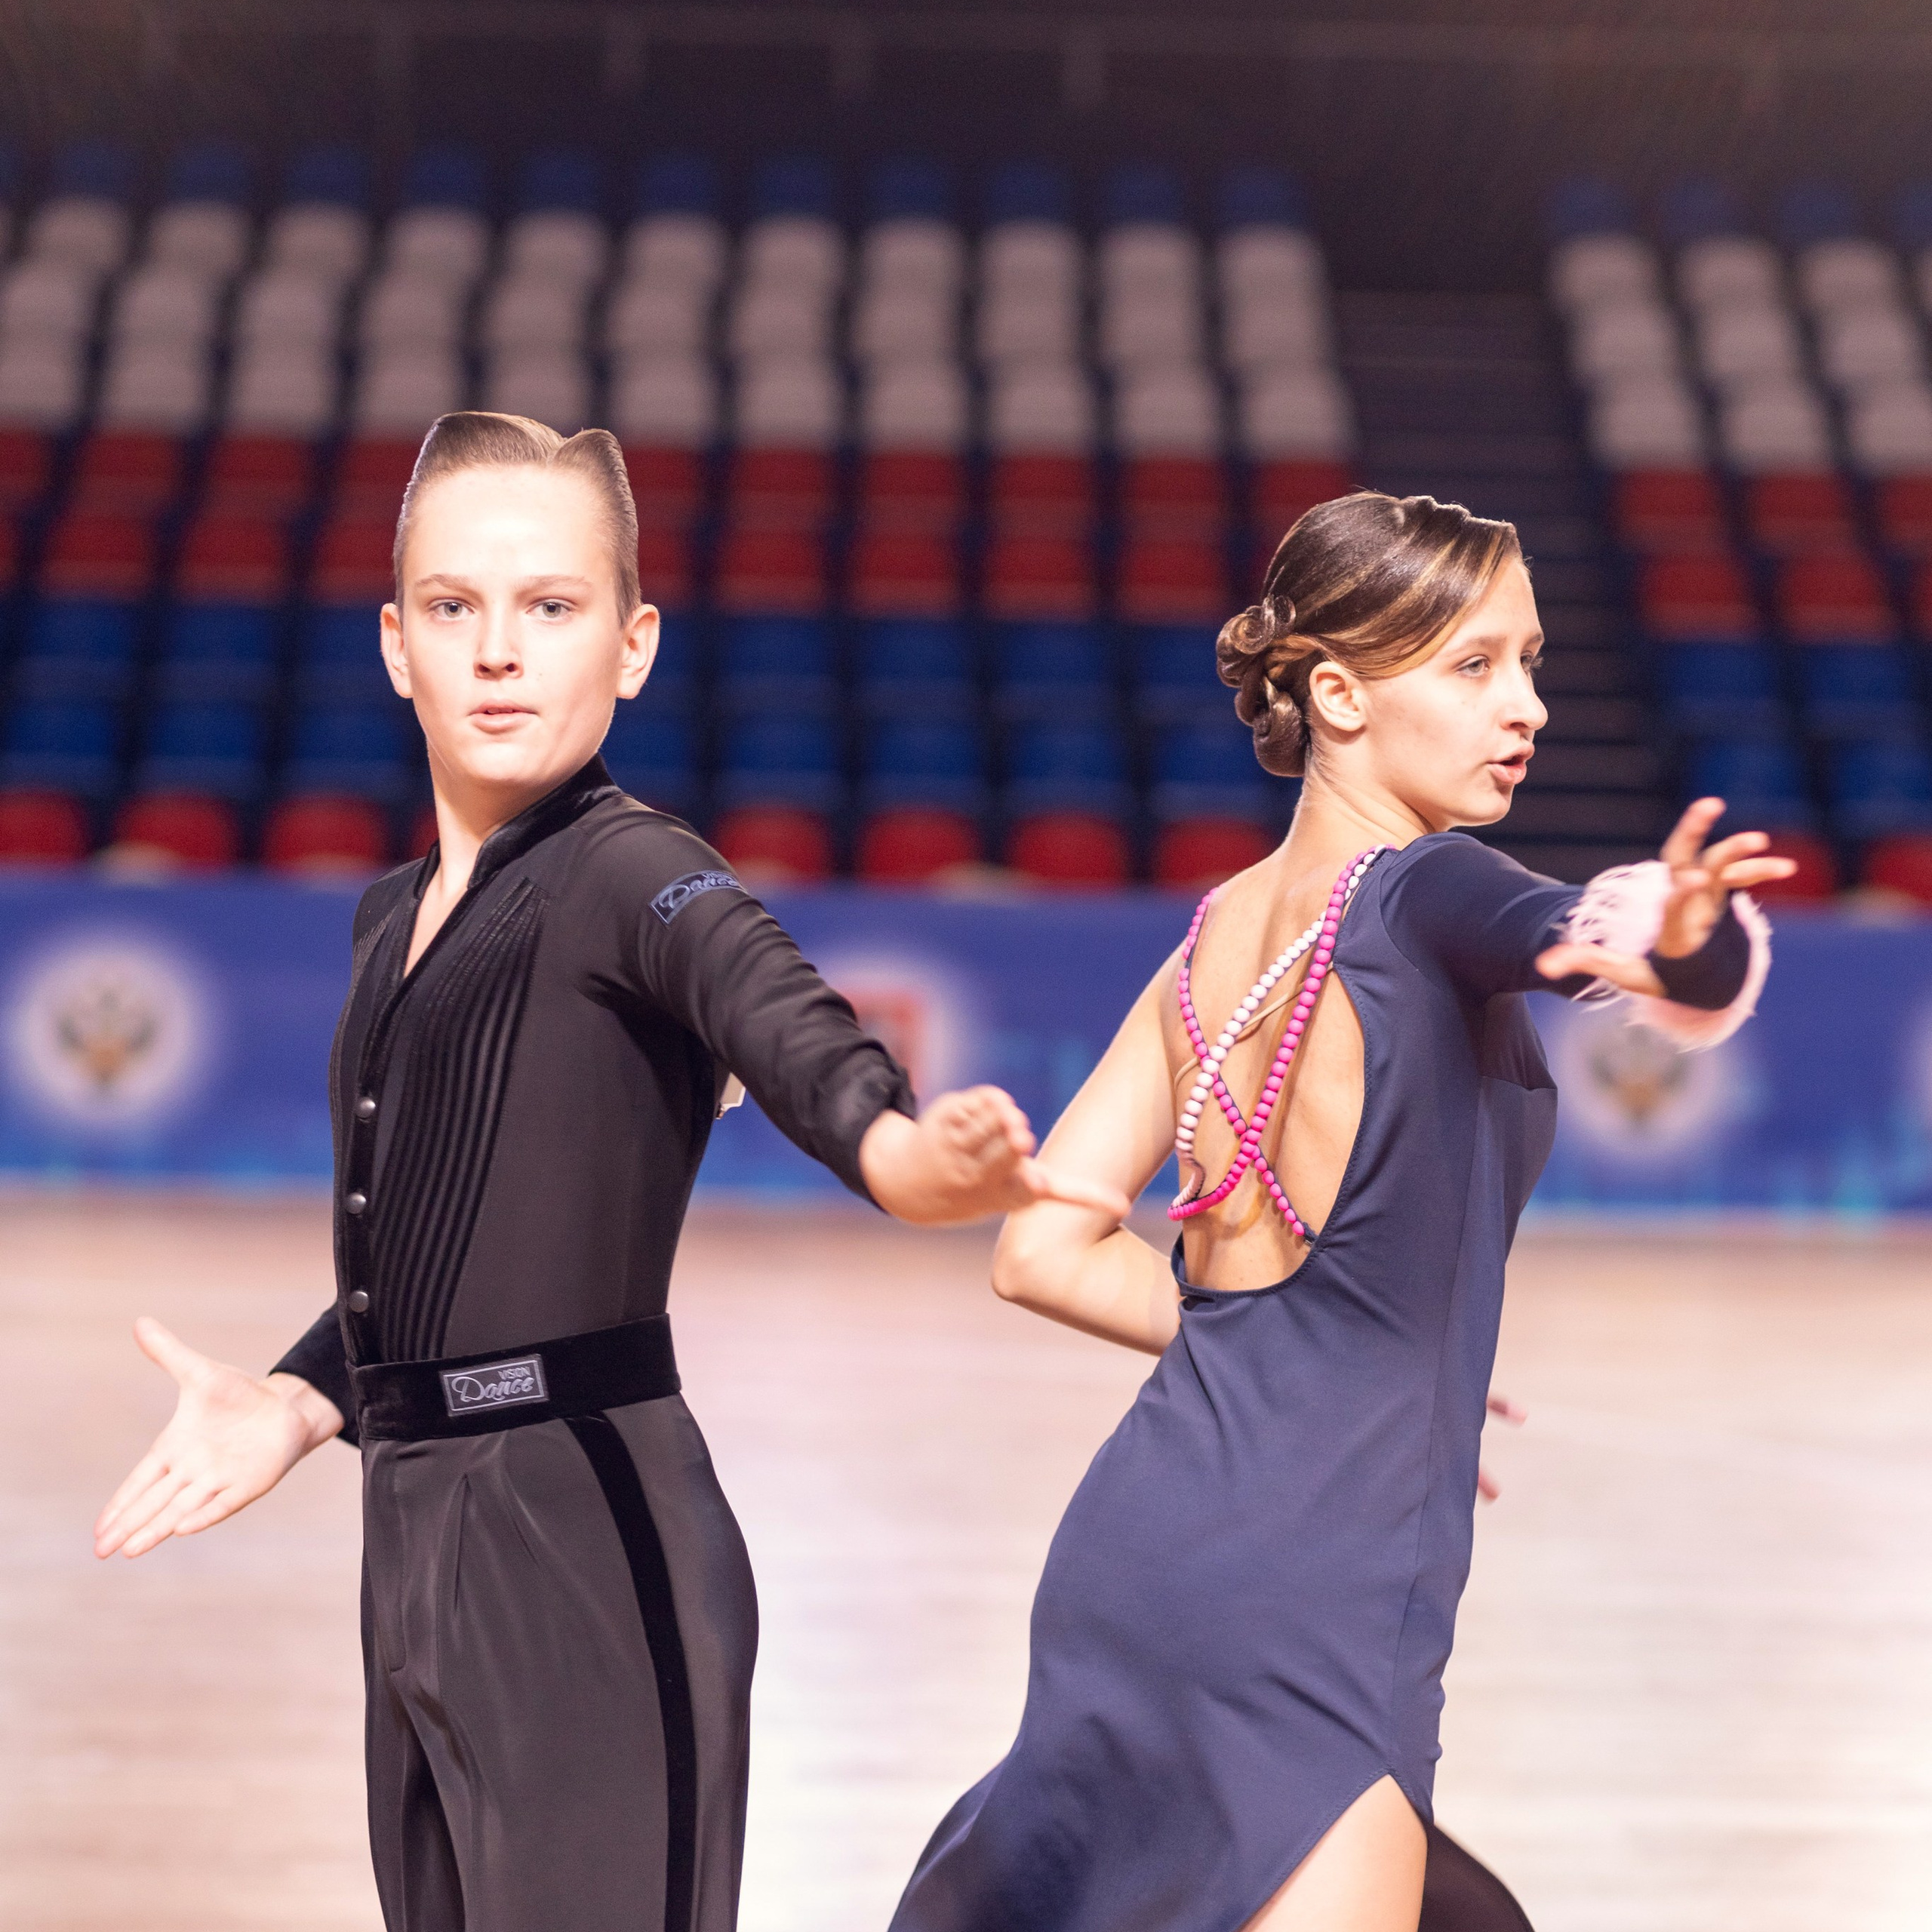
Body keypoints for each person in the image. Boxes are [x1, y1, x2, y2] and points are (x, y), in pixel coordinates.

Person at [93, 412, 1127, 1932]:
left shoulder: (635, 871)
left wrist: (909, 1155)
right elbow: (462, 1220)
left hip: (583, 1522)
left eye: (552, 607)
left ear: (634, 645)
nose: (499, 652)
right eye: (455, 607)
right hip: (414, 1527)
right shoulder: (393, 916)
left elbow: (788, 1025)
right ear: (396, 644)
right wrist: (310, 1394)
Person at [889, 491, 1788, 1932]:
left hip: (1138, 1562)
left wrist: (1337, 1359)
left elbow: (1039, 1249)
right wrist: (1678, 935)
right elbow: (1573, 937)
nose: (1531, 706)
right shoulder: (1430, 886)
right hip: (1311, 1605)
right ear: (1339, 693)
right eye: (1476, 664)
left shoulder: (1215, 933)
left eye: (1535, 661)